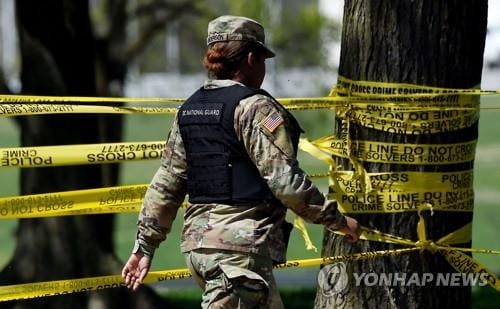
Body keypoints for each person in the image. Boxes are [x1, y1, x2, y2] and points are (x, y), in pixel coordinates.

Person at [122, 15, 360, 308]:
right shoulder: (255, 108)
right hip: (238, 255)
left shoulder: (189, 110)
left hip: (201, 250)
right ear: (250, 58)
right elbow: (285, 182)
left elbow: (166, 185)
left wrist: (144, 247)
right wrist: (337, 221)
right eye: (263, 60)